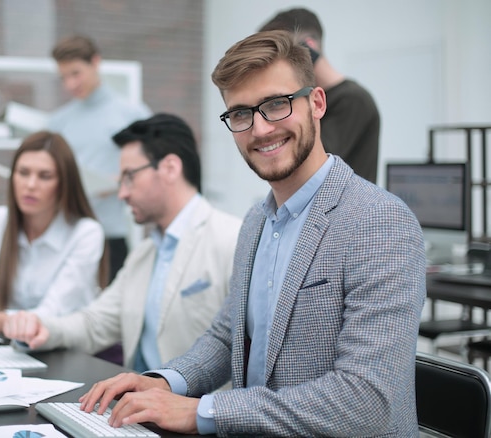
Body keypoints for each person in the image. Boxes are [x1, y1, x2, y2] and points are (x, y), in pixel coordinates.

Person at [74, 31, 426, 437]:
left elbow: (366, 400)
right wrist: (165, 382)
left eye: (276, 104)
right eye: (241, 114)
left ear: (316, 103)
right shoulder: (257, 221)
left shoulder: (379, 222)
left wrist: (202, 412)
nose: (259, 129)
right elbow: (228, 337)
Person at [3, 113, 242, 372]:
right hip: (136, 403)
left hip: (193, 408)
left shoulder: (232, 240)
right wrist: (41, 328)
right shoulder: (144, 255)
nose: (122, 193)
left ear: (170, 168)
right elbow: (94, 324)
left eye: (129, 177)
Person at [0, 131, 109, 340]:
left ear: (64, 184)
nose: (30, 185)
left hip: (67, 349)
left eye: (45, 176)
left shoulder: (86, 233)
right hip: (16, 348)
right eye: (23, 173)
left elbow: (49, 315)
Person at [47, 34, 152, 281]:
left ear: (95, 62)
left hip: (111, 235)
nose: (70, 84)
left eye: (76, 73)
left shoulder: (131, 114)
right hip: (65, 234)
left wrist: (122, 180)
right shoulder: (57, 122)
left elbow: (152, 164)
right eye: (64, 78)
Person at [259, 7, 381, 183]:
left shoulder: (353, 100)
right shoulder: (304, 97)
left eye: (280, 52)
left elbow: (309, 163)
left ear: (309, 48)